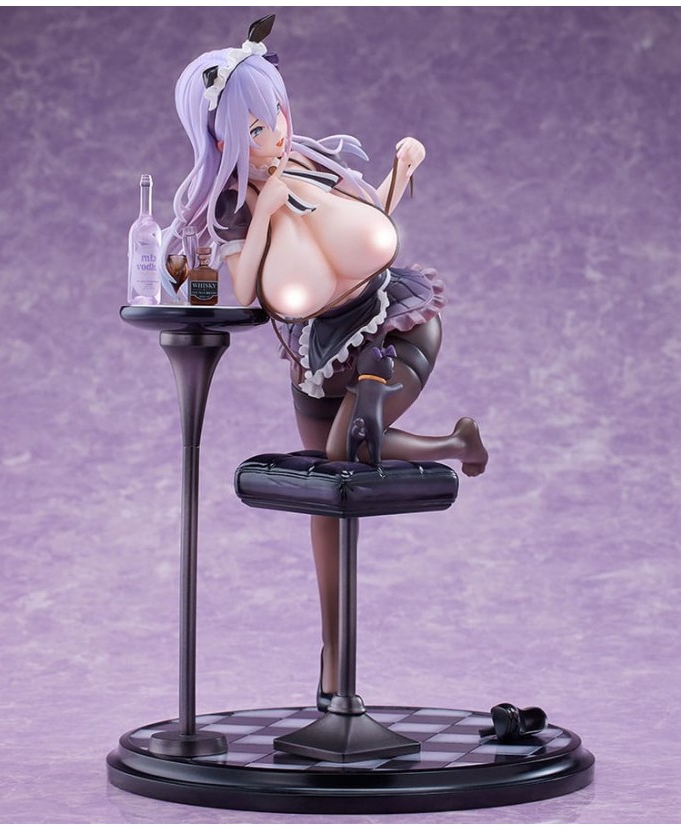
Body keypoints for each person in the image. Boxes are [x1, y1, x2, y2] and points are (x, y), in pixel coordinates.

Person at [160, 16, 488, 707]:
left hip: (390, 325)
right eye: (255, 129)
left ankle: (450, 443)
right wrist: (268, 210)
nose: (276, 135)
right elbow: (246, 291)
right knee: (330, 503)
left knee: (349, 448)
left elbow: (369, 231)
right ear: (221, 140)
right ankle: (334, 653)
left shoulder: (314, 163)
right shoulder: (233, 210)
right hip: (317, 359)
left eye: (276, 115)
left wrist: (401, 172)